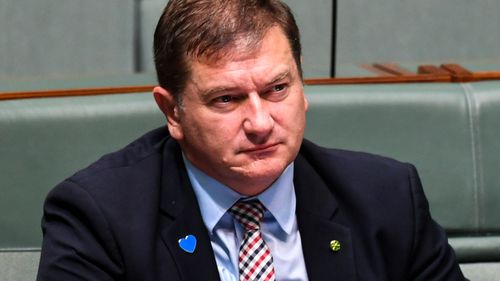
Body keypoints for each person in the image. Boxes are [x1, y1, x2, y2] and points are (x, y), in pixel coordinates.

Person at [37, 0, 467, 280]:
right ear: (173, 111)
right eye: (227, 98)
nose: (261, 122)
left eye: (278, 89)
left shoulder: (387, 199)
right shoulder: (99, 217)